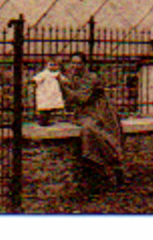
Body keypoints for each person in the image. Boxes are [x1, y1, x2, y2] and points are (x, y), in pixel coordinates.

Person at [59, 51, 124, 189]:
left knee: (93, 131)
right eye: (73, 63)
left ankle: (113, 163)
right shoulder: (73, 77)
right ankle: (96, 169)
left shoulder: (91, 78)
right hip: (84, 111)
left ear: (84, 64)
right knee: (86, 129)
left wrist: (63, 87)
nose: (75, 66)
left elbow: (81, 98)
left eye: (79, 63)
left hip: (99, 111)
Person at [33, 57, 65, 126]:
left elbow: (63, 80)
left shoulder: (57, 74)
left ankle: (48, 119)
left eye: (55, 65)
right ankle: (42, 120)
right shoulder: (44, 73)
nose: (53, 67)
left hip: (53, 93)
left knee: (51, 108)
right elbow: (36, 79)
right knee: (44, 108)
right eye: (51, 65)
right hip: (45, 93)